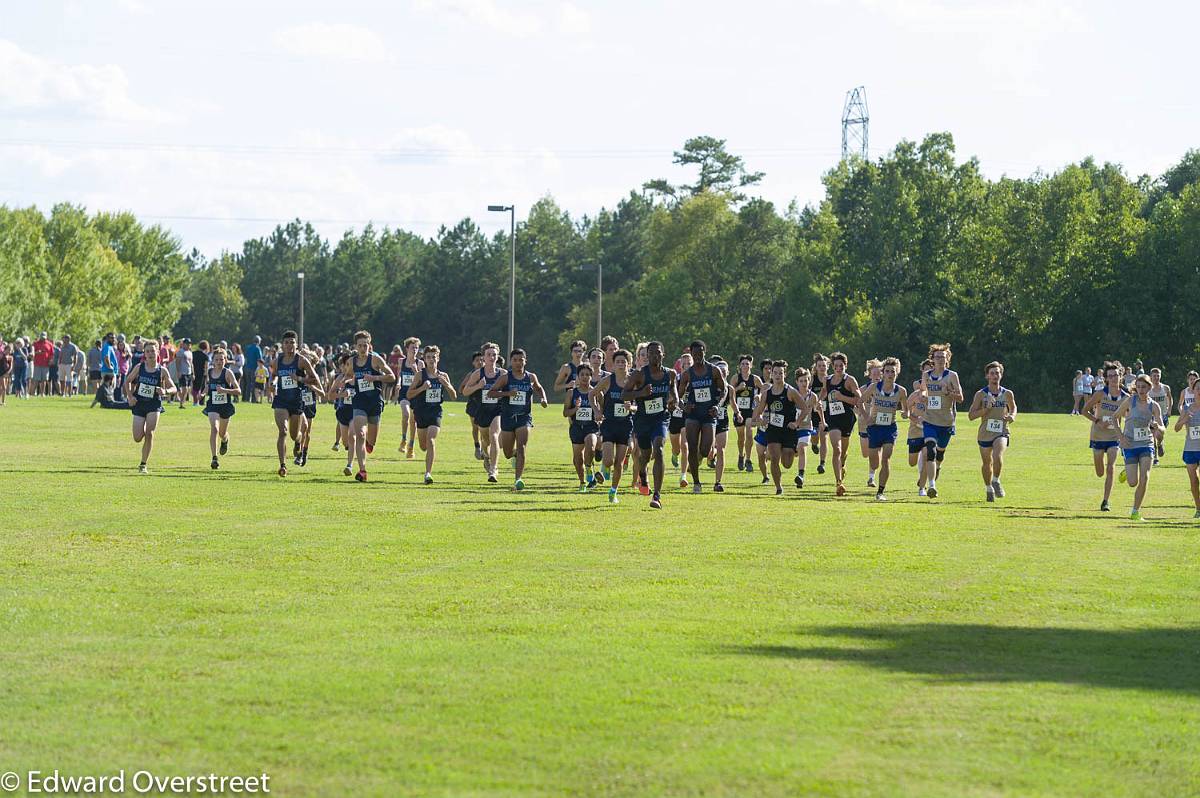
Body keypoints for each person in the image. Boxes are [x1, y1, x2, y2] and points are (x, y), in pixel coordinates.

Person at [622, 342, 677, 509]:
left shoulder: (671, 374)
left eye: (657, 353)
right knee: (645, 454)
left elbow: (673, 389)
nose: (654, 356)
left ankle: (657, 495)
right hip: (642, 420)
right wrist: (641, 393)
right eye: (651, 353)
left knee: (659, 450)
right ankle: (642, 471)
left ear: (663, 354)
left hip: (660, 418)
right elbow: (624, 394)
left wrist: (675, 400)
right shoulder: (639, 375)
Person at [488, 348, 549, 491]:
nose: (518, 363)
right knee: (508, 453)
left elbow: (539, 388)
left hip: (524, 418)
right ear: (511, 361)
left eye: (521, 359)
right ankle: (514, 455)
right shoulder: (506, 378)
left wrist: (543, 398)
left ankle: (518, 480)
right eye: (515, 360)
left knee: (522, 448)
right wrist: (508, 393)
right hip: (508, 418)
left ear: (525, 361)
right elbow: (491, 393)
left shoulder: (531, 377)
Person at [270, 331, 323, 477]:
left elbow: (315, 379)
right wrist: (272, 383)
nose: (289, 345)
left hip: (296, 402)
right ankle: (282, 465)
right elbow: (274, 375)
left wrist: (299, 379)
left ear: (296, 344)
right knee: (283, 431)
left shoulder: (301, 361)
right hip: (281, 400)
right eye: (286, 342)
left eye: (292, 342)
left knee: (294, 435)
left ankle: (299, 441)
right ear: (282, 345)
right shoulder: (277, 360)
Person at [675, 341, 725, 493]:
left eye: (700, 353)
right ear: (691, 354)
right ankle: (697, 483)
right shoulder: (687, 374)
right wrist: (683, 406)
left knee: (705, 450)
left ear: (705, 352)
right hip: (693, 415)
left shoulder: (714, 370)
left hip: (709, 414)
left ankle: (696, 460)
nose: (697, 356)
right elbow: (678, 395)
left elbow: (724, 391)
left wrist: (718, 405)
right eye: (694, 354)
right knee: (691, 446)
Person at [1112, 374, 1164, 520]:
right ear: (1136, 387)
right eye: (1139, 387)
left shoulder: (1154, 405)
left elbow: (1163, 428)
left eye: (1144, 387)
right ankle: (1126, 472)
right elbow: (1114, 417)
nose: (1141, 390)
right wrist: (1121, 437)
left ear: (1149, 388)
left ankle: (1135, 511)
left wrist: (1157, 427)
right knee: (1132, 482)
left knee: (1145, 477)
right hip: (1129, 444)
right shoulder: (1130, 401)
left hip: (1146, 444)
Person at [346, 330, 395, 482]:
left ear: (370, 345)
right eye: (360, 345)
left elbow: (392, 376)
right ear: (356, 346)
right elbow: (348, 376)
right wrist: (348, 384)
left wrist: (374, 377)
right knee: (360, 434)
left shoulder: (375, 360)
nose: (363, 348)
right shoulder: (352, 362)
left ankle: (369, 443)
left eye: (365, 345)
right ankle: (362, 471)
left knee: (371, 440)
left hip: (374, 401)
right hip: (359, 401)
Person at [123, 340, 177, 473]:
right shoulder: (139, 368)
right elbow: (127, 381)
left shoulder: (162, 371)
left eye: (153, 351)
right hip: (140, 403)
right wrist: (130, 396)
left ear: (158, 352)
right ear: (144, 354)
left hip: (154, 405)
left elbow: (174, 388)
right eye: (147, 351)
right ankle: (144, 427)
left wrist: (165, 391)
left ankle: (143, 464)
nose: (150, 353)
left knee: (150, 433)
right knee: (137, 437)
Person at [918, 343, 963, 499]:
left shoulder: (952, 376)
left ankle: (937, 468)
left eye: (943, 357)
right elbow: (923, 389)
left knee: (939, 455)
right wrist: (923, 394)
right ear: (932, 359)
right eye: (937, 357)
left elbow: (961, 397)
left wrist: (949, 392)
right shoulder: (926, 375)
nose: (940, 360)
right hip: (930, 420)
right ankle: (932, 486)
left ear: (947, 359)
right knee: (930, 451)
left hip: (946, 422)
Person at [968, 361, 1017, 502]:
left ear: (1001, 375)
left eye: (997, 373)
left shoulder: (1007, 393)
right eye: (992, 373)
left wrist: (1012, 416)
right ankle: (989, 488)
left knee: (997, 455)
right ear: (987, 376)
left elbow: (1013, 407)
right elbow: (971, 416)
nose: (995, 376)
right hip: (985, 432)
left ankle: (996, 480)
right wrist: (986, 409)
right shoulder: (980, 394)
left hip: (1002, 430)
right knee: (986, 463)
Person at [860, 357, 907, 501]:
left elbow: (906, 410)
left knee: (886, 458)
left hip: (889, 429)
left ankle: (880, 491)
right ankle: (873, 472)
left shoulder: (901, 391)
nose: (890, 374)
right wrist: (866, 417)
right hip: (874, 428)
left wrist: (906, 414)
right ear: (883, 373)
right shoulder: (874, 387)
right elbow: (860, 401)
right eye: (887, 371)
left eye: (893, 371)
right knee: (874, 462)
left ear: (897, 373)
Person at [752, 360, 802, 496]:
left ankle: (792, 450)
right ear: (771, 374)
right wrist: (760, 418)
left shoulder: (790, 391)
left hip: (788, 431)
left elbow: (804, 408)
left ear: (785, 374)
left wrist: (797, 423)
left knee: (786, 463)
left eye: (781, 373)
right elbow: (760, 410)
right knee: (774, 458)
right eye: (775, 373)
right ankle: (778, 487)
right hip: (773, 430)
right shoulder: (767, 393)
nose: (778, 375)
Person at [407, 345, 455, 484]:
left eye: (434, 357)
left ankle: (428, 473)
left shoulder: (443, 375)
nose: (431, 359)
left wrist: (446, 385)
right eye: (428, 357)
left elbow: (454, 396)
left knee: (431, 440)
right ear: (425, 359)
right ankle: (423, 451)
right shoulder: (420, 375)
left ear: (438, 358)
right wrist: (422, 388)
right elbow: (409, 394)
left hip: (435, 412)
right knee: (423, 446)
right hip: (421, 411)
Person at [1082, 361, 1125, 512]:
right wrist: (1097, 421)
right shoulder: (1100, 394)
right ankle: (1099, 466)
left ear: (1121, 376)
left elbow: (1130, 415)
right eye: (1110, 376)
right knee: (1100, 472)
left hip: (1114, 437)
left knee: (1111, 467)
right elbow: (1084, 410)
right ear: (1106, 378)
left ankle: (1106, 501)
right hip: (1098, 436)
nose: (1113, 378)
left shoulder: (1125, 397)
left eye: (1116, 375)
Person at [818, 352, 861, 497]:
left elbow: (858, 399)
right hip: (833, 419)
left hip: (847, 419)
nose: (838, 368)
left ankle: (842, 464)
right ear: (832, 367)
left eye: (841, 366)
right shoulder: (827, 380)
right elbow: (824, 392)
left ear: (845, 366)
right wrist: (819, 400)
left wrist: (842, 397)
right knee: (836, 449)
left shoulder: (850, 380)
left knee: (842, 452)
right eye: (835, 366)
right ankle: (838, 483)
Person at [462, 342, 506, 483]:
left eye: (494, 354)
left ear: (497, 356)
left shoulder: (503, 374)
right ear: (484, 357)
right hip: (482, 411)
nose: (492, 357)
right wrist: (478, 386)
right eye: (489, 355)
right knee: (486, 441)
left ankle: (493, 470)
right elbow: (465, 391)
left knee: (494, 436)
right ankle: (486, 456)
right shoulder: (477, 374)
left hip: (497, 410)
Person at [565, 362, 601, 490]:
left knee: (590, 445)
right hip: (576, 428)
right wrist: (576, 408)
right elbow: (565, 413)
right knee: (577, 458)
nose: (585, 377)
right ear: (578, 377)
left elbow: (603, 408)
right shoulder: (571, 393)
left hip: (591, 426)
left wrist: (599, 414)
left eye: (587, 375)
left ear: (591, 376)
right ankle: (582, 482)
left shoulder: (596, 392)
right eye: (582, 375)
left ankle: (589, 469)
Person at [202, 347, 240, 469]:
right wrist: (204, 392)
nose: (219, 361)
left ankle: (225, 440)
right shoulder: (210, 372)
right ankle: (214, 458)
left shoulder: (228, 373)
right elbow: (209, 385)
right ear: (213, 360)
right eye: (217, 359)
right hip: (213, 405)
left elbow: (238, 391)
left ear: (225, 360)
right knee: (214, 429)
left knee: (222, 433)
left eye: (221, 359)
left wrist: (224, 390)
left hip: (225, 406)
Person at [790, 366, 823, 489]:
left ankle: (801, 476)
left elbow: (818, 409)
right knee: (791, 454)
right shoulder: (792, 394)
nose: (804, 383)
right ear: (797, 382)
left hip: (806, 427)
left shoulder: (812, 396)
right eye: (802, 381)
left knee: (802, 448)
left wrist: (823, 422)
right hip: (793, 428)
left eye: (806, 380)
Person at [730, 355, 761, 474]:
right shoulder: (735, 378)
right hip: (738, 410)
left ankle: (748, 459)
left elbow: (764, 390)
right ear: (739, 366)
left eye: (747, 364)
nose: (745, 366)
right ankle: (741, 455)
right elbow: (729, 392)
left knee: (749, 433)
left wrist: (759, 396)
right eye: (743, 364)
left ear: (751, 366)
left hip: (750, 411)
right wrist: (738, 388)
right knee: (741, 437)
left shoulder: (755, 379)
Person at [906, 360, 932, 496]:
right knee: (912, 462)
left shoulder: (936, 394)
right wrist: (914, 419)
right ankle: (922, 478)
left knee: (927, 456)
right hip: (915, 431)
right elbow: (907, 409)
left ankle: (922, 487)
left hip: (929, 431)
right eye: (925, 372)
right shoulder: (916, 394)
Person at [1172, 394, 1200, 519]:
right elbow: (1176, 428)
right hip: (1190, 449)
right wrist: (1184, 420)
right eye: (1197, 388)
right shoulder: (1186, 408)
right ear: (1193, 391)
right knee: (1194, 481)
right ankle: (1198, 509)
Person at [397, 337, 421, 458]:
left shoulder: (420, 363)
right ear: (407, 349)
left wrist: (416, 370)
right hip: (404, 394)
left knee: (414, 421)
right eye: (413, 348)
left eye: (417, 348)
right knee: (406, 414)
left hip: (415, 395)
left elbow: (421, 380)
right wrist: (398, 383)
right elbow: (399, 375)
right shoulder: (401, 361)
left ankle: (411, 446)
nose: (415, 350)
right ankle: (403, 440)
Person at [461, 351, 485, 461]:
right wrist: (474, 386)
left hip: (485, 404)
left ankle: (484, 449)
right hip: (473, 404)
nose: (480, 362)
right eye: (477, 360)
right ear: (473, 363)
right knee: (476, 427)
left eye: (482, 360)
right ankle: (477, 446)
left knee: (483, 427)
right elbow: (461, 389)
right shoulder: (471, 375)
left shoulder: (488, 374)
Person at [1147, 368, 1172, 463]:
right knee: (1152, 435)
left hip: (1163, 415)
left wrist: (1169, 409)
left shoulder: (1165, 388)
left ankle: (1160, 444)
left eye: (1158, 375)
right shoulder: (1148, 389)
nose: (1156, 378)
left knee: (1159, 435)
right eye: (1154, 376)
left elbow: (1170, 398)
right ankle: (1155, 458)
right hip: (1151, 416)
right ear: (1151, 377)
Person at [32, 332, 54, 397]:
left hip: (46, 364)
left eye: (44, 337)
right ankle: (33, 393)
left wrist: (51, 360)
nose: (43, 339)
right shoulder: (35, 343)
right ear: (40, 336)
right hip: (37, 364)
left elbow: (52, 354)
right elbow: (32, 353)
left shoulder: (50, 344)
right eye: (42, 337)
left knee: (44, 380)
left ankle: (42, 393)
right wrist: (37, 352)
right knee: (36, 379)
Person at [174, 339, 194, 409]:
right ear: (184, 344)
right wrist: (178, 371)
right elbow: (177, 362)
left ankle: (182, 403)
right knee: (184, 389)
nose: (188, 345)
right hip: (182, 373)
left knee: (187, 389)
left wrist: (192, 373)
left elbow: (191, 364)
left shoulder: (190, 352)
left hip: (188, 372)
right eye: (187, 344)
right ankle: (181, 403)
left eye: (189, 344)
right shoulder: (180, 352)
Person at [243, 336, 263, 402]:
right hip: (254, 368)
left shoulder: (248, 347)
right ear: (259, 341)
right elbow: (260, 359)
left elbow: (245, 358)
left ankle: (246, 398)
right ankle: (254, 400)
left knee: (248, 384)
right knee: (254, 384)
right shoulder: (257, 348)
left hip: (247, 368)